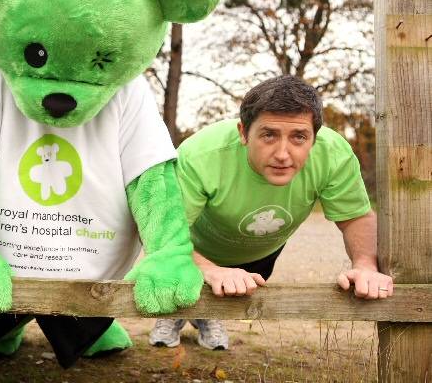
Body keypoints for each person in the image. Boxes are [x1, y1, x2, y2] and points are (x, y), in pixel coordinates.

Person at [149, 75, 393, 350]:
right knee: (183, 281)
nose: (282, 154)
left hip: (259, 249)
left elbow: (356, 218)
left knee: (232, 290)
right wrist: (207, 269)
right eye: (269, 135)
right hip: (190, 247)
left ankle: (209, 313)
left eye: (299, 137)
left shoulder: (333, 155)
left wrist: (365, 266)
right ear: (243, 132)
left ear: (314, 137)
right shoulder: (200, 155)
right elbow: (165, 235)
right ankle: (175, 311)